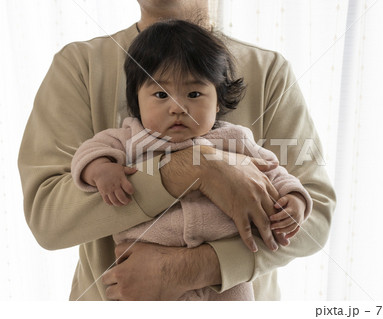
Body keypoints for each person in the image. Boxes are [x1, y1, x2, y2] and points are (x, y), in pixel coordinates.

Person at [18, 0, 336, 301]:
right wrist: (196, 169)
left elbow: (315, 215)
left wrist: (191, 268)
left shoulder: (269, 70)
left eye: (195, 92)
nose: (177, 108)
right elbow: (48, 219)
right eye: (159, 93)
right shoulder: (79, 65)